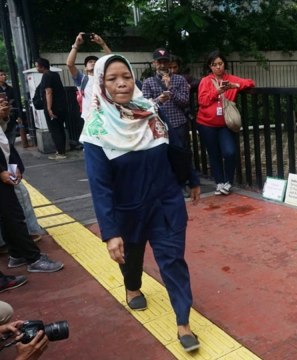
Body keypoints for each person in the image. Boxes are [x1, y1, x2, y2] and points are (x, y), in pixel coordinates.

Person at [80, 54, 201, 352]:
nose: (121, 83)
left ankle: (183, 321)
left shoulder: (150, 112)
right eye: (112, 78)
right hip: (128, 211)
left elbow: (176, 149)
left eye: (126, 76)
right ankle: (132, 286)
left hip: (166, 203)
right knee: (131, 259)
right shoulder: (96, 131)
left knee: (173, 261)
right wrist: (110, 232)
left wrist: (192, 179)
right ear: (101, 84)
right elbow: (100, 186)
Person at [0, 99, 64, 273]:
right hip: (2, 175)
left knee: (8, 217)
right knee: (14, 216)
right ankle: (33, 258)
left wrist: (13, 167)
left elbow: (5, 143)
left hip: (6, 170)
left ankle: (16, 254)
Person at [196, 50, 255, 195]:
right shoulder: (206, 81)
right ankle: (219, 182)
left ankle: (228, 181)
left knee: (230, 152)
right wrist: (217, 92)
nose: (218, 67)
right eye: (214, 64)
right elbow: (202, 101)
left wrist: (235, 85)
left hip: (224, 124)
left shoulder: (230, 79)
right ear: (210, 66)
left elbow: (250, 82)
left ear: (224, 64)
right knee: (214, 154)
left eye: (220, 64)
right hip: (206, 124)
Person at [66, 32, 112, 150]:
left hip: (107, 116)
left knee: (109, 146)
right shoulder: (82, 79)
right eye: (89, 62)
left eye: (95, 61)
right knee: (94, 148)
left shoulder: (105, 77)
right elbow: (69, 64)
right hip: (90, 118)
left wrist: (102, 44)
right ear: (85, 68)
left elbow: (112, 61)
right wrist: (76, 45)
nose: (93, 62)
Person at [35, 58, 68, 160]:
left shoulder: (46, 76)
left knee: (55, 130)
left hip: (53, 107)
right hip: (62, 106)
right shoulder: (55, 75)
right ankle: (62, 150)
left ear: (42, 66)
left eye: (37, 66)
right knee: (60, 128)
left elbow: (48, 92)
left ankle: (60, 153)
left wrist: (49, 108)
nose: (36, 68)